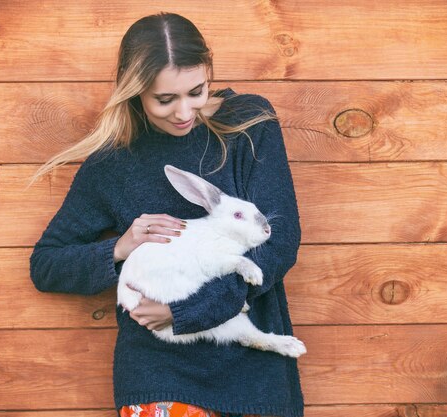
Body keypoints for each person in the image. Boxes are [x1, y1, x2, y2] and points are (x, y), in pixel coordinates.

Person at [29, 12, 303, 417]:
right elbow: (47, 263)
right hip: (160, 374)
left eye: (196, 91)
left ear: (209, 70)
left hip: (251, 368)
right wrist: (119, 249)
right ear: (135, 90)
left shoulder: (248, 124)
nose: (183, 112)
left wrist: (188, 312)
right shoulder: (113, 163)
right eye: (164, 99)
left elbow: (279, 241)